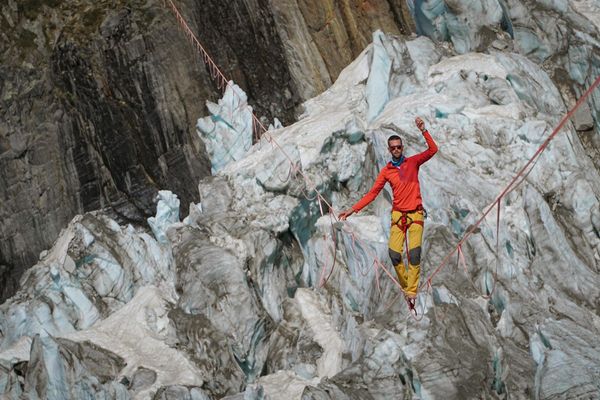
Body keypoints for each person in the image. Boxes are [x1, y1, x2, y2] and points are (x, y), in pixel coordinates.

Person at [338, 117, 438, 309]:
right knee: (394, 254)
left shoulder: (413, 162)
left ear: (402, 147)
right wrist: (351, 210)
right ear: (389, 149)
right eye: (392, 148)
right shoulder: (386, 171)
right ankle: (407, 286)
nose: (396, 150)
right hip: (399, 216)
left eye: (398, 147)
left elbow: (433, 150)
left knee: (414, 254)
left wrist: (424, 130)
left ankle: (411, 290)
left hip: (416, 215)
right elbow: (373, 194)